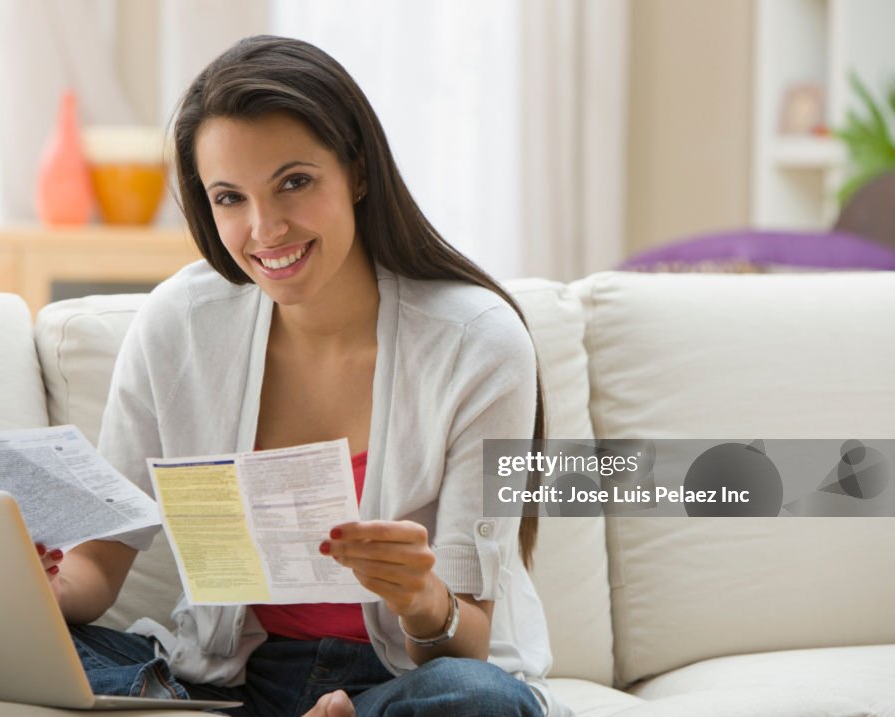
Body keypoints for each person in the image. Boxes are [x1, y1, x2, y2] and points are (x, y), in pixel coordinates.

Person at [38, 35, 568, 717]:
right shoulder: (178, 324)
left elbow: (466, 643)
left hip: (402, 678)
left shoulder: (478, 343)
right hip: (229, 681)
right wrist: (36, 589)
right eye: (230, 197)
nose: (266, 229)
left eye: (294, 182)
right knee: (7, 650)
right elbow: (98, 563)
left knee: (479, 700)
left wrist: (419, 597)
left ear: (357, 171)